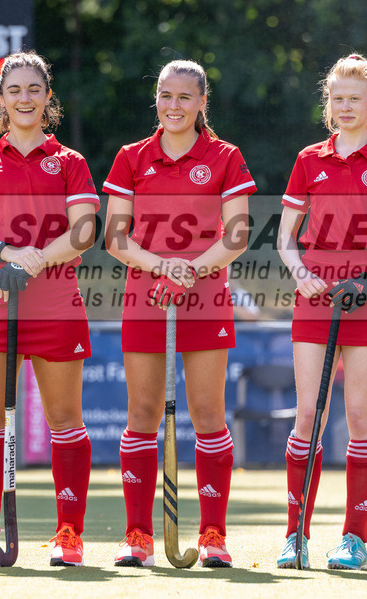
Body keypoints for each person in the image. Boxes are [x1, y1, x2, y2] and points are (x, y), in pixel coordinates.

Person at [103, 59, 255, 568]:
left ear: (202, 103)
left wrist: (189, 270)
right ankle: (138, 535)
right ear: (157, 100)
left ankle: (213, 533)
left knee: (209, 415)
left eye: (185, 97)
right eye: (166, 96)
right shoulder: (131, 157)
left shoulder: (226, 157)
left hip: (205, 296)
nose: (174, 106)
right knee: (142, 416)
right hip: (146, 297)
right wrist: (161, 267)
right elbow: (115, 237)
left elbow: (236, 234)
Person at [274, 54, 367, 570]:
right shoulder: (308, 159)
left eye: (354, 99)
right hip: (315, 300)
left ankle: (354, 539)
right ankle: (296, 534)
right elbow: (285, 238)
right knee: (308, 415)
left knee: (360, 416)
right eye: (336, 98)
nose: (343, 107)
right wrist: (301, 274)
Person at [0, 52, 99, 567]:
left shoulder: (71, 162)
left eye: (34, 88)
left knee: (65, 421)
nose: (24, 97)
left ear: (47, 96)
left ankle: (69, 536)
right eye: (14, 89)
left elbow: (84, 231)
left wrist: (34, 261)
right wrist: (5, 253)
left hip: (56, 303)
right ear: (1, 96)